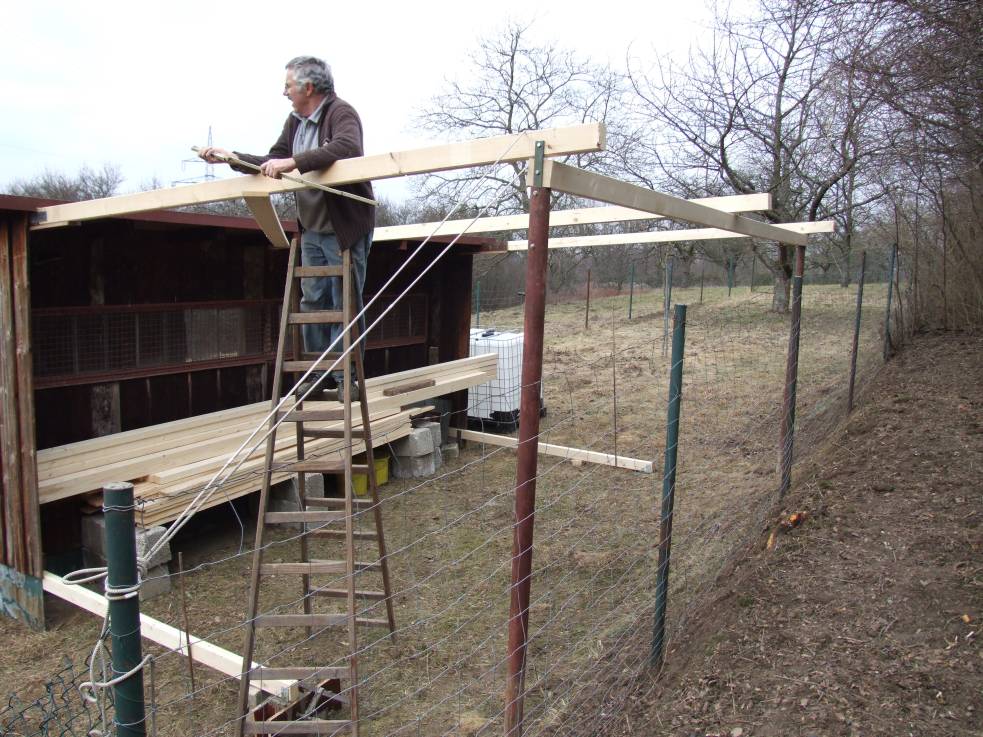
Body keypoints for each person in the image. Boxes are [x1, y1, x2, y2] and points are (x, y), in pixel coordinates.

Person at [200, 55, 374, 401]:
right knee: (313, 303)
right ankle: (316, 374)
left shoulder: (341, 113)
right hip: (311, 228)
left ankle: (347, 379)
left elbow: (347, 147)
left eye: (288, 86)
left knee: (345, 302)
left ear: (308, 87)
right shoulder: (295, 123)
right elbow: (271, 161)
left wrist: (293, 162)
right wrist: (230, 157)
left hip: (344, 228)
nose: (285, 93)